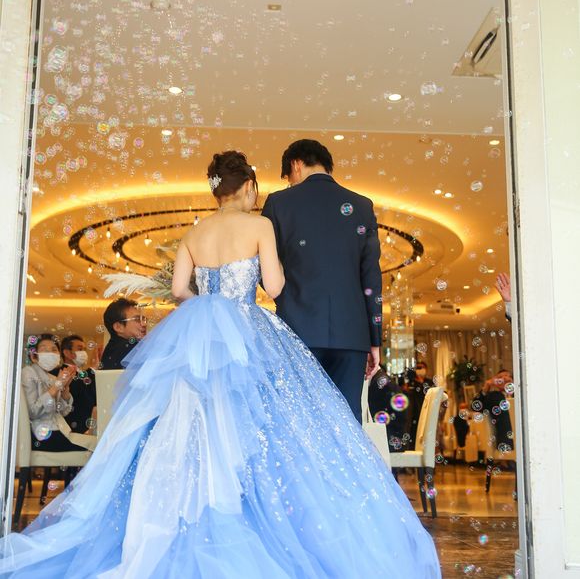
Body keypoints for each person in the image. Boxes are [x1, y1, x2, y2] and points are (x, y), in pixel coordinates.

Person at [0, 151, 440, 578]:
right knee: (261, 422)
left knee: (192, 422)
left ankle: (193, 501)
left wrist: (208, 304)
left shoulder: (194, 233)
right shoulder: (260, 225)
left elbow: (179, 290)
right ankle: (242, 503)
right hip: (246, 329)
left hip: (200, 333)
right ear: (248, 186)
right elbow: (275, 286)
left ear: (216, 190)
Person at [261, 139, 382, 422]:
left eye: (289, 178)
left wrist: (286, 299)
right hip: (352, 335)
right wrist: (374, 339)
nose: (291, 184)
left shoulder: (279, 203)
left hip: (298, 331)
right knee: (347, 422)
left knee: (303, 423)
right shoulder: (362, 206)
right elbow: (371, 278)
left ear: (296, 165)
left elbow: (263, 266)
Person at [20, 334, 85, 452]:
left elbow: (63, 412)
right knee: (93, 448)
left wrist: (65, 389)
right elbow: (33, 412)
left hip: (60, 430)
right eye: (45, 350)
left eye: (54, 350)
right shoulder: (28, 372)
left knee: (94, 444)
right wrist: (56, 386)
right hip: (40, 434)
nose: (50, 353)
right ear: (34, 356)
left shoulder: (53, 377)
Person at [59, 335, 96, 434]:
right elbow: (76, 393)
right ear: (67, 353)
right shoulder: (60, 372)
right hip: (73, 427)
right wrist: (92, 369)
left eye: (84, 349)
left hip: (89, 424)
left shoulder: (83, 373)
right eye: (80, 349)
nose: (84, 353)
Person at [99, 298, 146, 369]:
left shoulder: (111, 348)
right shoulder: (131, 347)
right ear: (118, 327)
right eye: (137, 319)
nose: (144, 324)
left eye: (143, 319)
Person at [405, 360, 434, 449]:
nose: (420, 370)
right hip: (414, 413)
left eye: (422, 368)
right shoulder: (411, 383)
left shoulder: (429, 382)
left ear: (426, 369)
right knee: (415, 434)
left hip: (427, 411)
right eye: (418, 368)